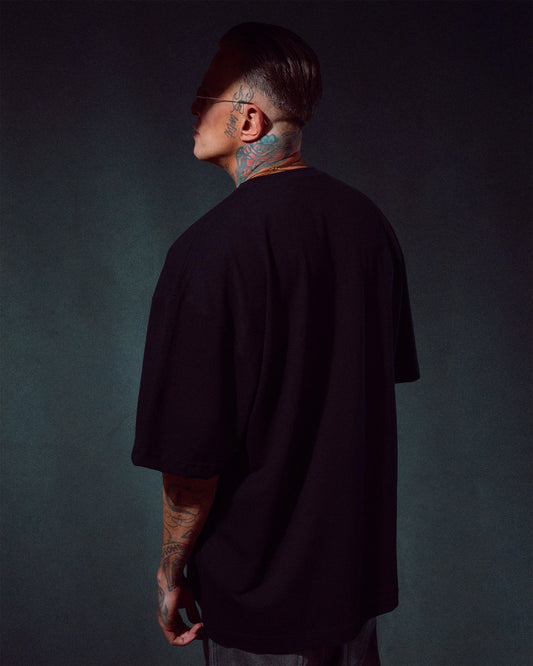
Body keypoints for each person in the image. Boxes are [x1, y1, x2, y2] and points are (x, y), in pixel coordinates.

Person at [132, 22, 419, 666]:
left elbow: (191, 462)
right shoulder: (371, 229)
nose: (192, 108)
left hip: (257, 610)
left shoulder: (207, 251)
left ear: (248, 120)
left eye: (206, 95)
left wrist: (170, 571)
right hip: (351, 598)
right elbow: (364, 392)